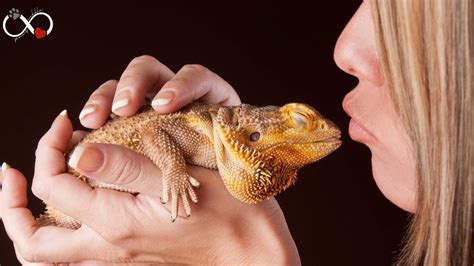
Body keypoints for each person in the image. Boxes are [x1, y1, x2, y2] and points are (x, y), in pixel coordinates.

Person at [1, 0, 471, 264]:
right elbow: (156, 136)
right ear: (253, 132)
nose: (344, 49)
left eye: (410, 21)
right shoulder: (214, 137)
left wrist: (248, 254)